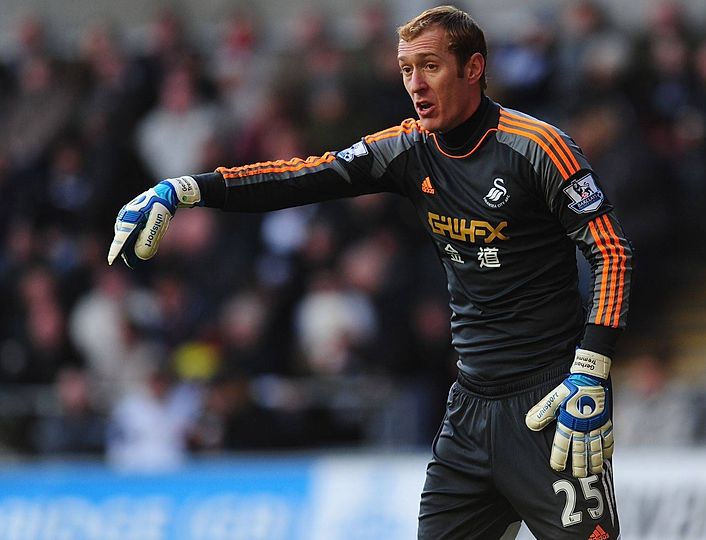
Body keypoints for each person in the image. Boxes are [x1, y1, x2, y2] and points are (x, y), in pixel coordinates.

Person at [108, 6, 632, 539]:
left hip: (551, 405)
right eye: (407, 69)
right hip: (469, 411)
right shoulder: (409, 148)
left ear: (473, 68)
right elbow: (304, 176)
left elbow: (611, 253)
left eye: (429, 66)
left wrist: (590, 368)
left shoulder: (538, 147)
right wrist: (189, 188)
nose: (415, 84)